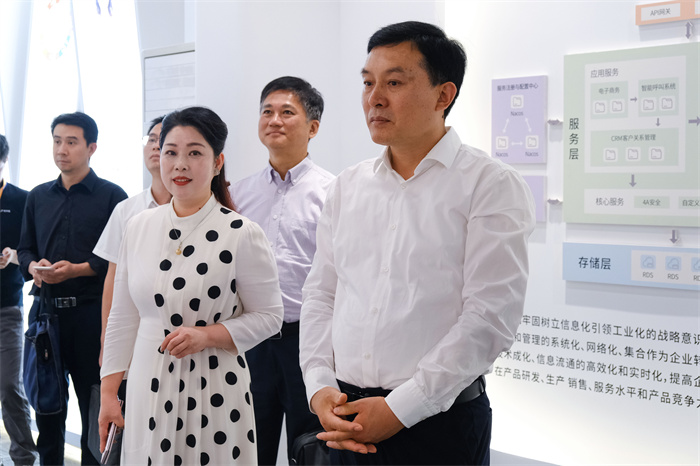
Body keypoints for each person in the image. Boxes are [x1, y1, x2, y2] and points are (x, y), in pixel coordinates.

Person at [299, 21, 536, 465]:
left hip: (438, 424)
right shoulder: (348, 186)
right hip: (345, 415)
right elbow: (321, 294)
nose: (375, 98)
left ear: (443, 95)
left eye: (394, 83)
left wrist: (399, 409)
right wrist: (319, 387)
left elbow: (489, 318)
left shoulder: (489, 185)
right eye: (367, 83)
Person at [99, 106, 284, 465]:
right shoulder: (138, 226)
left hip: (214, 384)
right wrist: (109, 392)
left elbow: (269, 316)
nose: (180, 164)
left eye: (195, 153)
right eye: (170, 152)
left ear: (217, 163)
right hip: (146, 381)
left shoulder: (241, 233)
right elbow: (122, 317)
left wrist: (208, 335)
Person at [231, 76, 332, 464]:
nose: (274, 120)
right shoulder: (238, 194)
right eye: (267, 111)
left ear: (313, 127)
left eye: (287, 112)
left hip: (308, 341)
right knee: (248, 444)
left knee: (311, 446)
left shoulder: (333, 192)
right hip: (251, 340)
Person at [17, 112, 128, 465]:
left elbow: (119, 258)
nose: (61, 150)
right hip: (45, 315)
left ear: (91, 147)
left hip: (90, 317)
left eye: (71, 142)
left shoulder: (113, 197)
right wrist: (33, 267)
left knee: (93, 407)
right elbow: (24, 249)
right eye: (56, 141)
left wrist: (77, 270)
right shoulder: (38, 196)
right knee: (47, 409)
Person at [94, 115, 171, 365]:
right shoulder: (126, 210)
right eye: (151, 139)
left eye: (164, 140)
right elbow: (113, 279)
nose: (156, 146)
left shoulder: (200, 209)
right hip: (137, 330)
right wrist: (107, 339)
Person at [0, 134, 38, 466]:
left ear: (4, 162)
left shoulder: (22, 200)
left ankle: (24, 458)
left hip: (7, 309)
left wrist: (13, 257)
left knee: (11, 386)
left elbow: (31, 253)